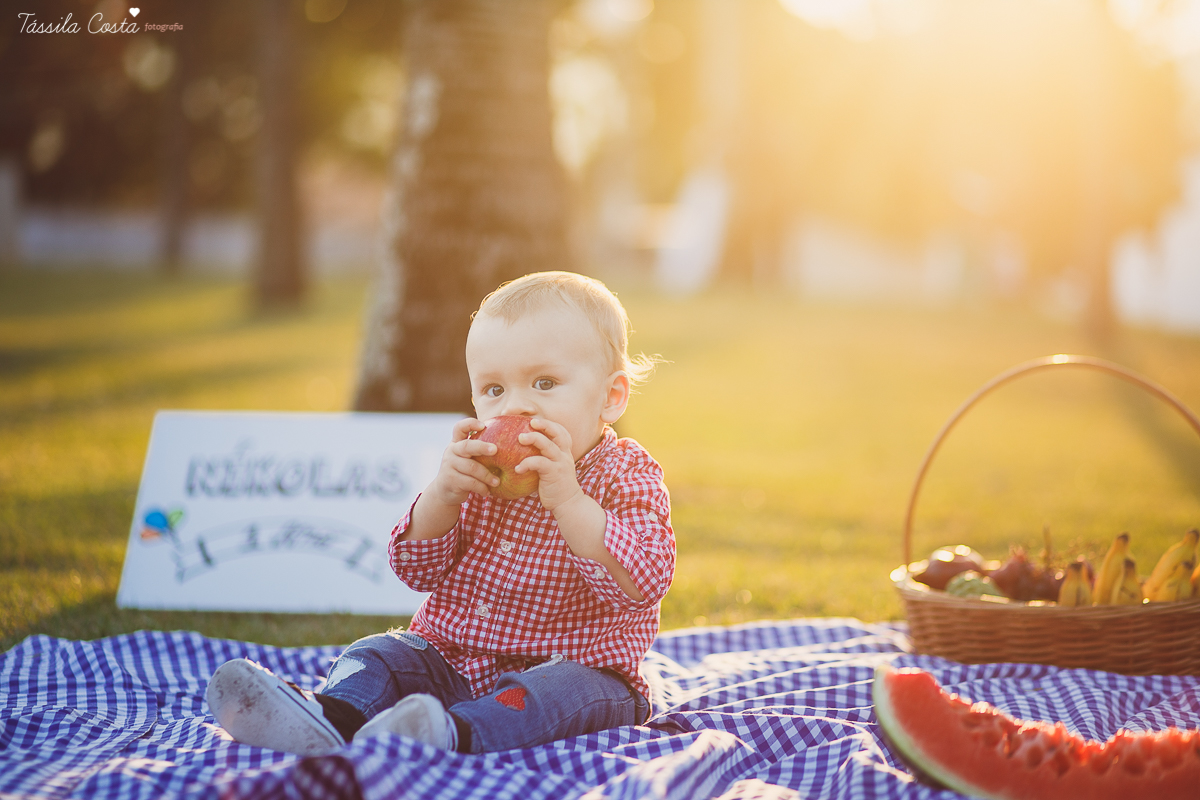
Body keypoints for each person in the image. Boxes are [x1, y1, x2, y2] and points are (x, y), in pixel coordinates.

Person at [206, 271, 674, 755]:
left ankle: (451, 735)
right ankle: (331, 717)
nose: (515, 406)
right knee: (378, 654)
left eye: (545, 382)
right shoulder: (476, 468)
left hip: (572, 671)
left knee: (554, 693)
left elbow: (642, 582)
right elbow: (415, 568)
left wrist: (570, 501)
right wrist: (443, 497)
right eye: (493, 389)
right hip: (453, 663)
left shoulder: (626, 474)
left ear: (611, 396)